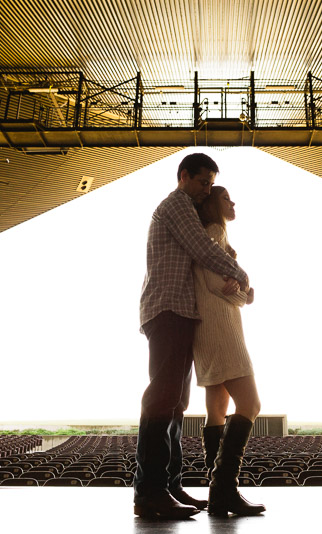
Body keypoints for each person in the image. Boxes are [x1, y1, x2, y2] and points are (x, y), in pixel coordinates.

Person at [134, 153, 250, 520]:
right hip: (167, 309)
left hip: (182, 311)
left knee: (176, 403)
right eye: (203, 182)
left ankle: (169, 485)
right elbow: (202, 248)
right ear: (184, 177)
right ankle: (150, 492)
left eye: (211, 185)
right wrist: (241, 275)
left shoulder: (186, 203)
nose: (207, 190)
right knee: (162, 398)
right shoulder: (176, 205)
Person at [193, 186, 265, 517]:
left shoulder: (214, 234)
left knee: (217, 409)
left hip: (207, 328)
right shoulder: (215, 230)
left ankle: (218, 491)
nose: (233, 202)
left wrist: (239, 291)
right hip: (221, 328)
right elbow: (214, 285)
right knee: (250, 403)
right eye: (226, 198)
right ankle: (224, 489)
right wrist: (245, 295)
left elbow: (224, 285)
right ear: (212, 204)